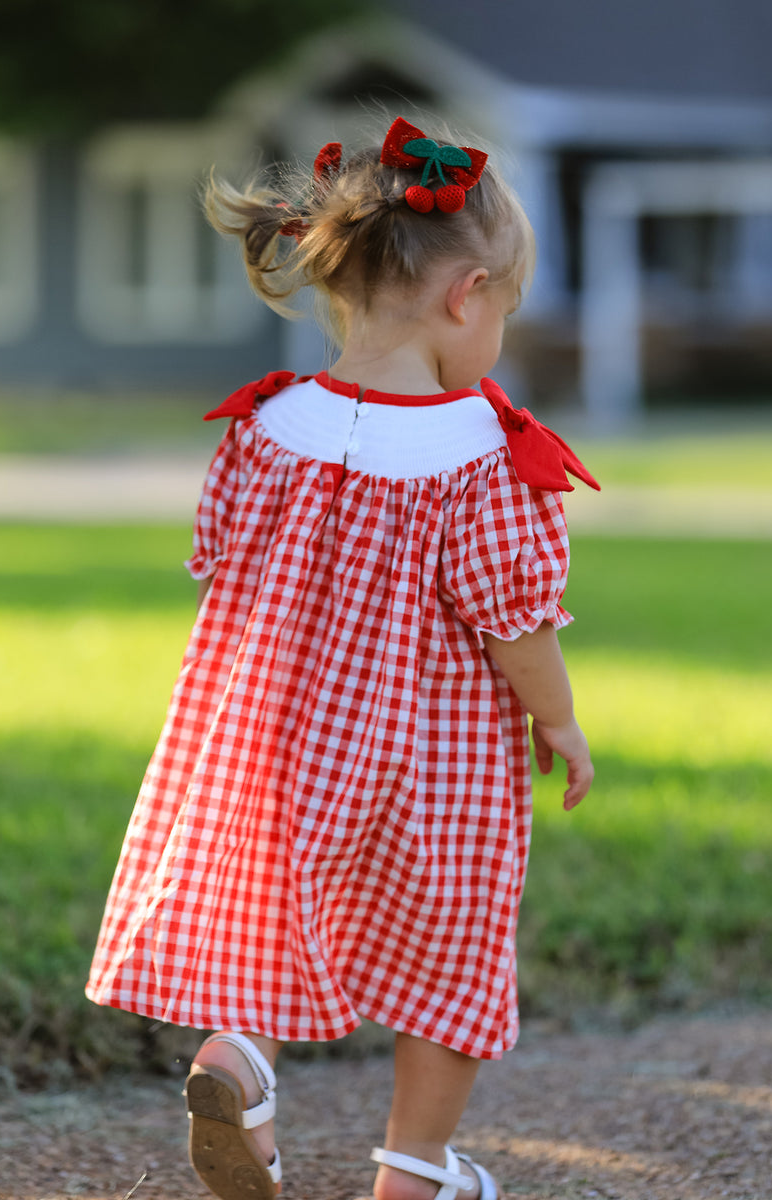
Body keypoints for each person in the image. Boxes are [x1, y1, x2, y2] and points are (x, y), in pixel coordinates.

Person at [86, 116, 598, 1200]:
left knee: (278, 903)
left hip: (277, 745)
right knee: (450, 952)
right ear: (468, 297)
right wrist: (558, 720)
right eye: (504, 308)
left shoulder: (267, 432)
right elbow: (516, 622)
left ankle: (241, 1058)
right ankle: (415, 1172)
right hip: (437, 767)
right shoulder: (481, 458)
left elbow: (220, 563)